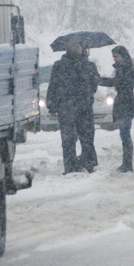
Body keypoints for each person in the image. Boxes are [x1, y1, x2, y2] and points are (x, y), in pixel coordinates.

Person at [46, 40, 99, 173]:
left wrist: (51, 106)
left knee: (68, 139)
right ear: (81, 51)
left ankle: (70, 166)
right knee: (87, 136)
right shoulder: (89, 66)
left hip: (65, 108)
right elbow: (94, 86)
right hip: (84, 107)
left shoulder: (58, 65)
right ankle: (88, 163)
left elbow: (53, 86)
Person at [98, 45, 134, 172]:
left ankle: (127, 164)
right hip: (125, 103)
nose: (114, 59)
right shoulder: (124, 68)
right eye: (113, 57)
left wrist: (100, 80)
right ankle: (127, 163)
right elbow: (117, 82)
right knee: (124, 134)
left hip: (126, 103)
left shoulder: (125, 69)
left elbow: (118, 83)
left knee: (125, 134)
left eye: (116, 56)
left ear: (123, 56)